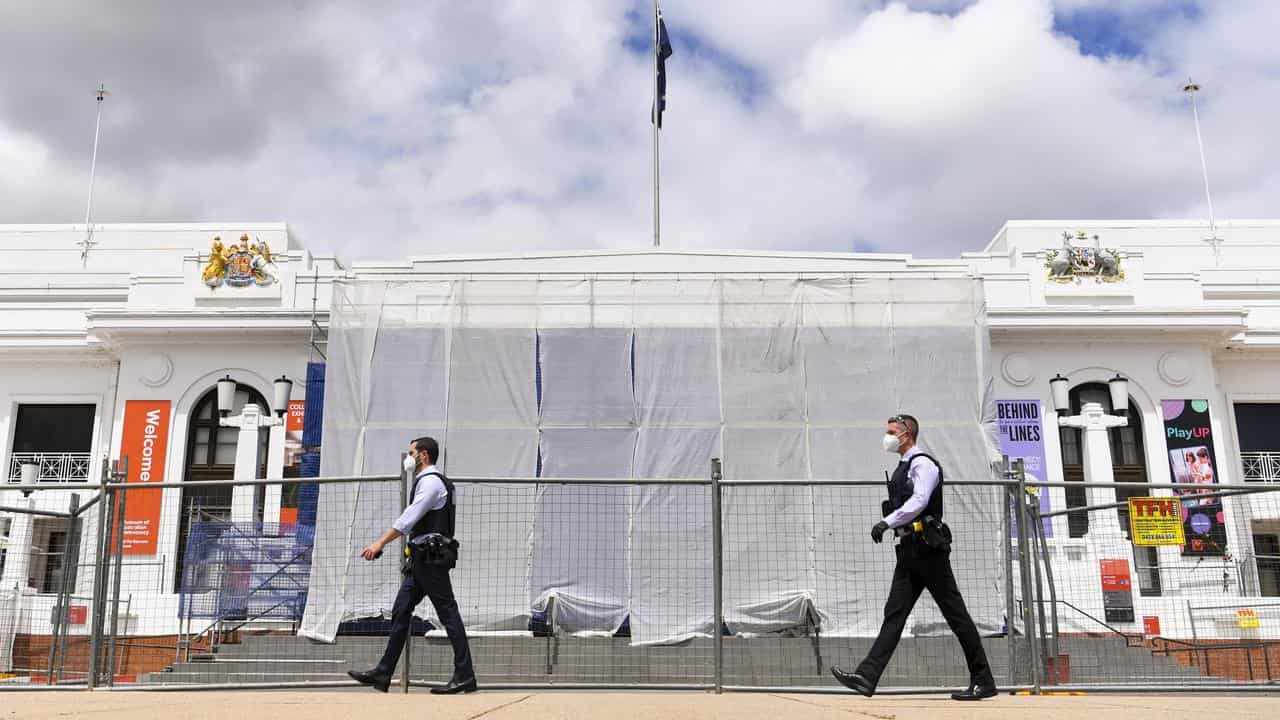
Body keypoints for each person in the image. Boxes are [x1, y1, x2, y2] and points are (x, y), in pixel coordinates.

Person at [831, 414, 997, 701]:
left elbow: (919, 501)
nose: (887, 436)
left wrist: (887, 522)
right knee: (894, 614)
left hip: (928, 550)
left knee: (956, 615)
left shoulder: (924, 464)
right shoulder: (905, 465)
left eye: (891, 431)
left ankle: (984, 681)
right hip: (909, 550)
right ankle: (867, 677)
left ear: (906, 434)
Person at [347, 436, 477, 694]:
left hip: (430, 559)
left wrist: (379, 543)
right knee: (401, 609)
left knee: (448, 614)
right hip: (421, 558)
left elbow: (409, 519)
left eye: (411, 452)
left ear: (424, 455)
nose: (409, 457)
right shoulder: (434, 482)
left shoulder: (431, 483)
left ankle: (465, 675)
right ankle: (383, 674)